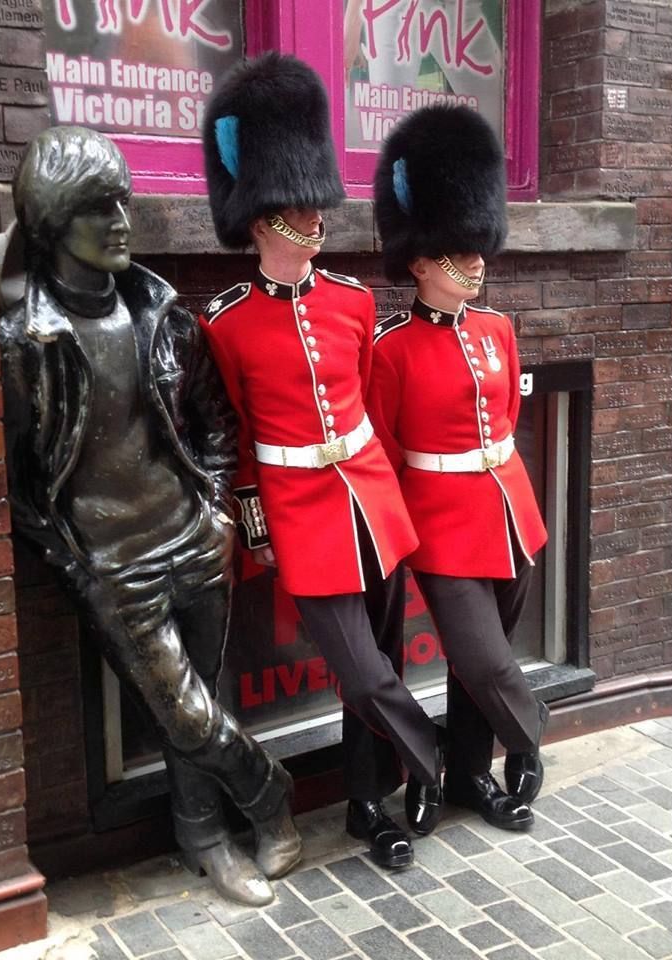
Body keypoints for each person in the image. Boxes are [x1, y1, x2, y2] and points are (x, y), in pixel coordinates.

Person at [0, 126, 301, 906]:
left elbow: (213, 421)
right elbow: (23, 485)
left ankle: (202, 838)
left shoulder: (162, 313)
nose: (122, 220)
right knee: (190, 713)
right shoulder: (25, 343)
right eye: (99, 208)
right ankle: (268, 795)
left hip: (193, 538)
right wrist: (75, 563)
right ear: (51, 223)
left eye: (124, 200)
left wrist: (216, 510)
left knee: (198, 697)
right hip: (111, 561)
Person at [200, 52, 445, 870]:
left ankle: (368, 807)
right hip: (301, 515)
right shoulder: (226, 324)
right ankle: (431, 760)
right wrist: (256, 530)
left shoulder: (352, 302)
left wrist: (394, 501)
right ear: (263, 219)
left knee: (364, 678)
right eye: (298, 209)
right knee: (367, 672)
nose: (315, 218)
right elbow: (235, 443)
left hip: (371, 503)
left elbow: (374, 409)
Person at [367, 104, 550, 831]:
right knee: (489, 661)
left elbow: (505, 424)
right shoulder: (392, 347)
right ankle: (531, 738)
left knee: (478, 669)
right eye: (457, 252)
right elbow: (380, 447)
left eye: (479, 248)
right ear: (419, 261)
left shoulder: (499, 330)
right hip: (440, 527)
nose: (476, 262)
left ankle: (471, 775)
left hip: (510, 513)